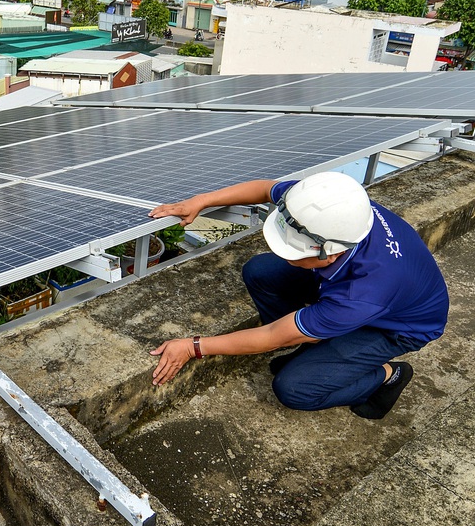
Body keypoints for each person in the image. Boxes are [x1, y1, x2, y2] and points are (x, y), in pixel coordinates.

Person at [148, 172, 448, 420]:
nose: (288, 258)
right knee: (261, 270)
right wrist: (200, 201)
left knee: (294, 388)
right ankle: (317, 339)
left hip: (395, 327)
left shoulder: (364, 292)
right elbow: (266, 189)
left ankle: (386, 375)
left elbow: (275, 335)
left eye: (295, 254)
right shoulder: (328, 210)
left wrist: (193, 347)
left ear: (330, 253)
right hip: (371, 299)